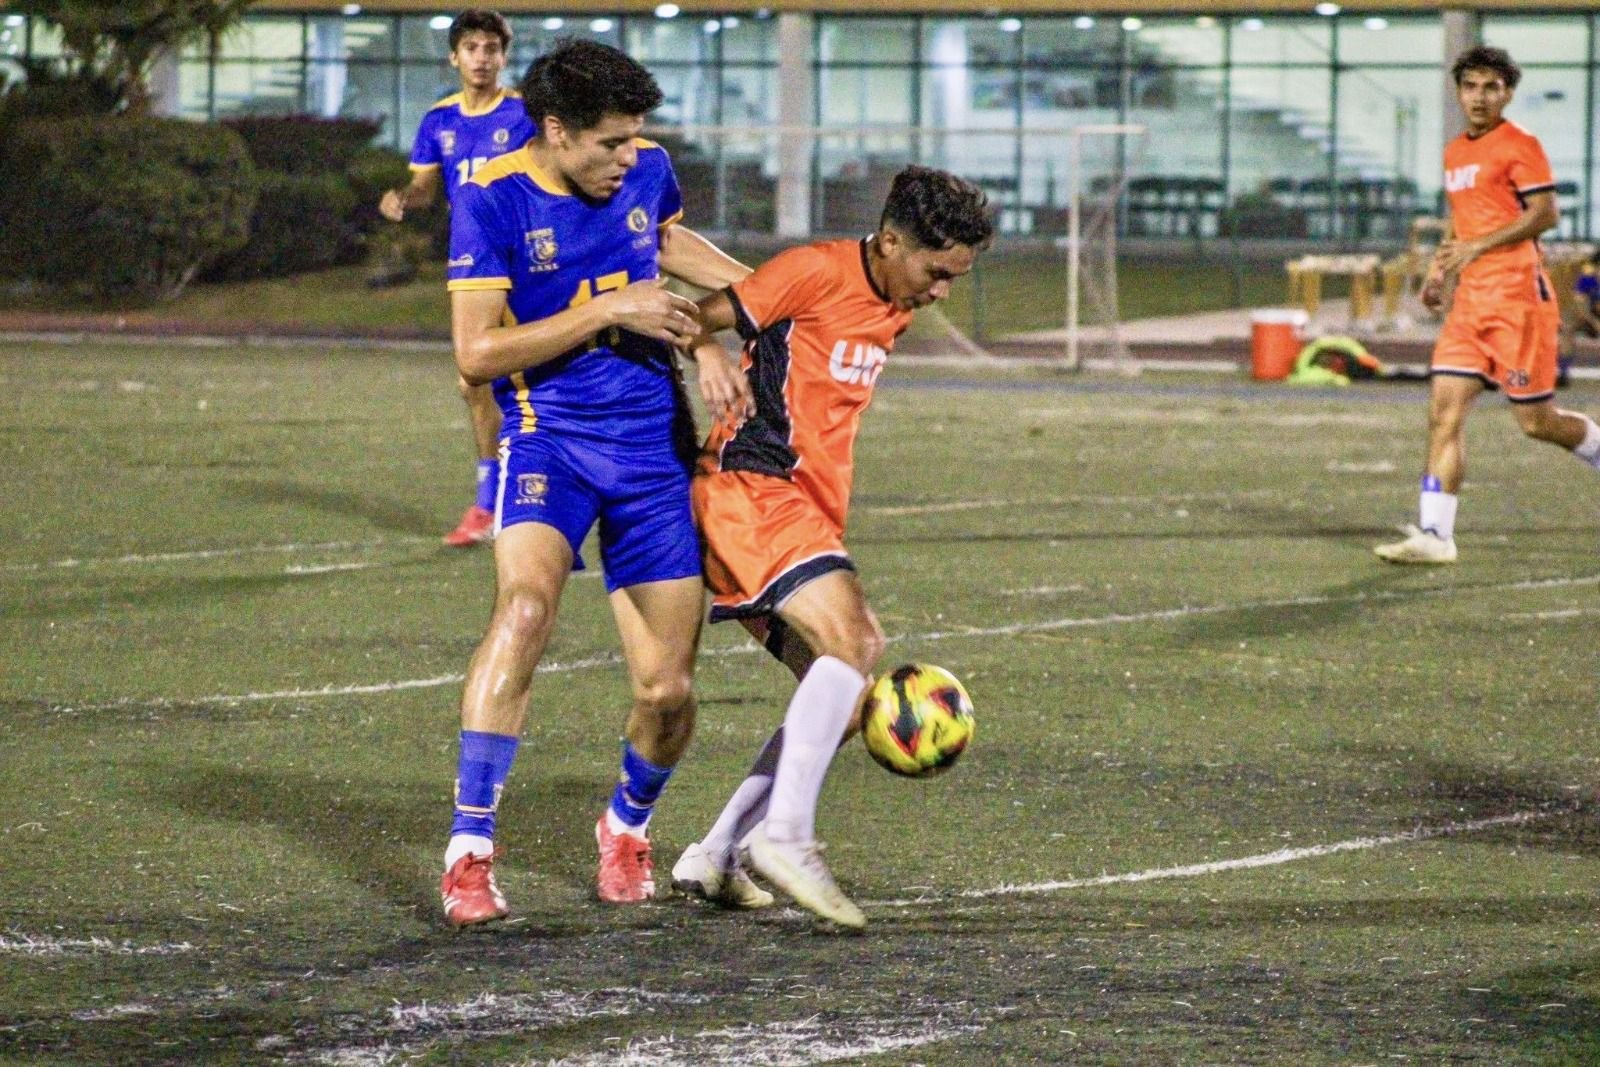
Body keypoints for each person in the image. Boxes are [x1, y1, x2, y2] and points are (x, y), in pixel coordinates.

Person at [436, 38, 751, 927]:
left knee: (668, 690)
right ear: (557, 129)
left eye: (634, 137)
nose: (628, 156)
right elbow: (476, 353)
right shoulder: (492, 197)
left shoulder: (645, 170)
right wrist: (610, 308)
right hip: (549, 441)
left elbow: (665, 239)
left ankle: (626, 824)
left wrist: (756, 302)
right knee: (524, 609)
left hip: (653, 452)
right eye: (610, 141)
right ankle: (468, 848)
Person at [668, 166, 993, 928]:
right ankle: (786, 835)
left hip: (798, 512)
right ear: (890, 242)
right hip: (752, 489)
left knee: (842, 697)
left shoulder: (894, 305)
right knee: (856, 640)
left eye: (956, 277)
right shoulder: (813, 270)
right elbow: (688, 315)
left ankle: (717, 854)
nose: (943, 292)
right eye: (937, 272)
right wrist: (707, 351)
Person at [1375, 45, 1600, 565]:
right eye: (1470, 86)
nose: (1479, 97)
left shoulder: (1520, 144)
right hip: (1470, 308)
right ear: (1458, 92)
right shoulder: (1456, 152)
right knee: (1443, 414)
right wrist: (1440, 270)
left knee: (1537, 423)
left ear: (1508, 94)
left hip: (1518, 304)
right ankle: (1436, 535)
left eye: (1491, 88)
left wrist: (1479, 246)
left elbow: (1545, 214)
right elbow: (1462, 220)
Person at [379, 10, 532, 548]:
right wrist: (404, 198)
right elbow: (425, 187)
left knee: (537, 378)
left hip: (527, 259)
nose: (482, 58)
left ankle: (536, 494)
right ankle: (488, 504)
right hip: (473, 261)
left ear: (504, 57)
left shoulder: (525, 114)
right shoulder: (438, 120)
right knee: (474, 381)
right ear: (454, 57)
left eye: (491, 48)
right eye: (472, 48)